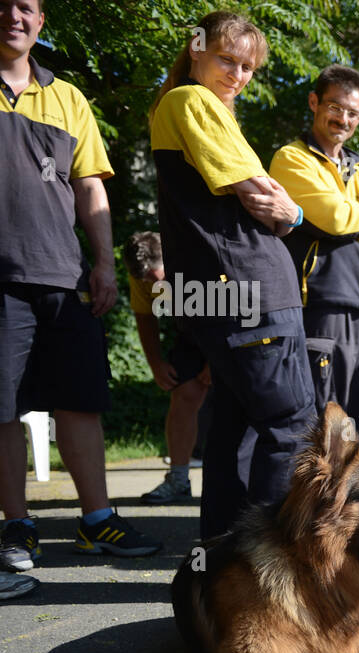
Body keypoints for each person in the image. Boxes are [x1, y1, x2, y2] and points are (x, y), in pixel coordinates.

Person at [1, 0, 161, 592]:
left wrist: (103, 263)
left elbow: (89, 186)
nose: (12, 15)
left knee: (80, 402)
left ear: (41, 21)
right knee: (2, 409)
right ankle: (16, 525)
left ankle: (97, 520)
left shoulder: (68, 97)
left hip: (63, 276)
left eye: (25, 6)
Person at [150, 11, 315, 540]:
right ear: (195, 48)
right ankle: (266, 564)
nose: (238, 75)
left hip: (224, 289)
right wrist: (295, 215)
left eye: (248, 67)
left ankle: (222, 560)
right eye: (228, 59)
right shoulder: (189, 100)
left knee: (236, 432)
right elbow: (259, 194)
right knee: (289, 428)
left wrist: (285, 208)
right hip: (247, 286)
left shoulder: (198, 106)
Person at [269, 64, 359, 441]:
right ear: (314, 102)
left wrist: (353, 218)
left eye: (352, 112)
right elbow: (330, 217)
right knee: (324, 426)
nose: (342, 118)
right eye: (335, 107)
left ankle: (351, 503)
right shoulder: (292, 159)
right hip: (322, 307)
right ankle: (315, 502)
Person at [124, 231, 211, 504]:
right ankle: (178, 478)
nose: (154, 285)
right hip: (189, 329)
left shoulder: (198, 258)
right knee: (184, 394)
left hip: (226, 321)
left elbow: (235, 310)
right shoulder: (141, 273)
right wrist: (155, 363)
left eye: (158, 277)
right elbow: (145, 315)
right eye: (146, 281)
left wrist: (216, 361)